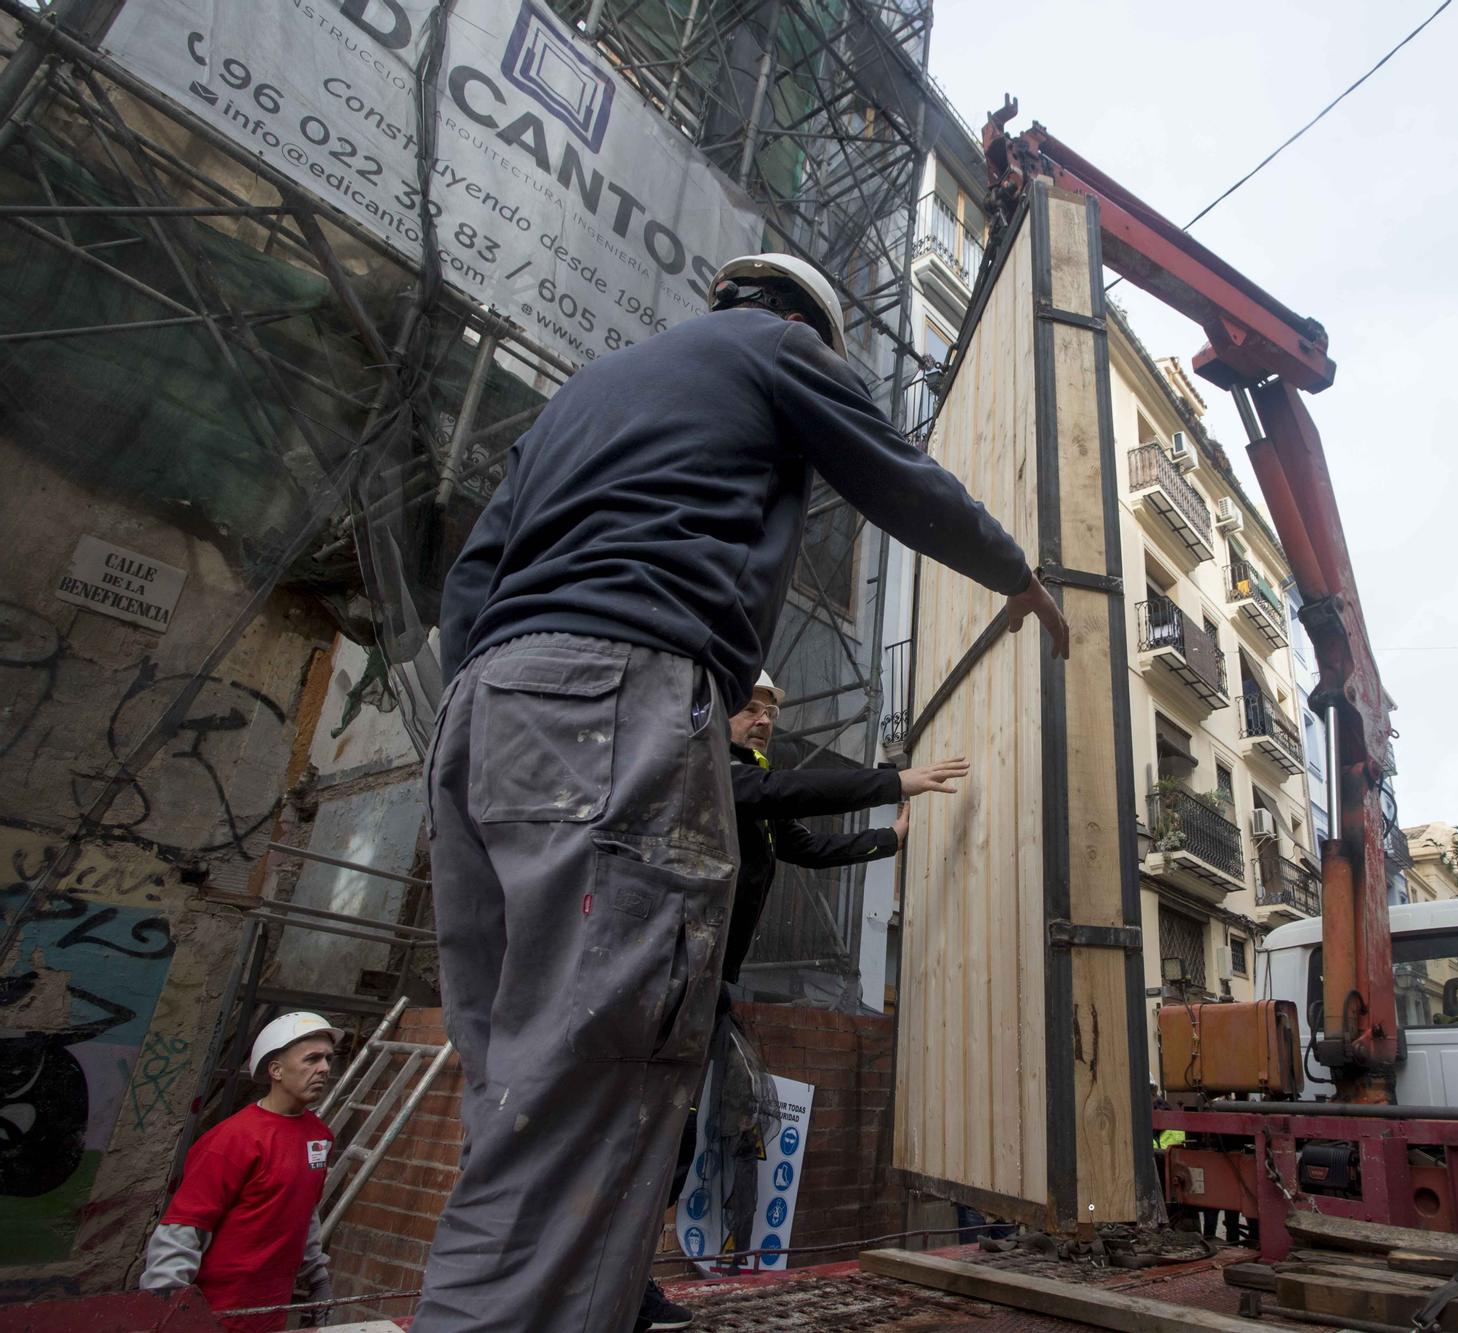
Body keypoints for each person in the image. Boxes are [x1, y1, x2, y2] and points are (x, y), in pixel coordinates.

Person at [418, 253, 1068, 1333]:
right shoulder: (777, 353)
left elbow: (472, 577)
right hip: (616, 692)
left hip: (486, 711)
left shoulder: (591, 386)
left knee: (517, 1083)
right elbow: (897, 475)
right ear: (806, 328)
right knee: (600, 1068)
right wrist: (1017, 573)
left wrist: (497, 705)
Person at [636, 670, 971, 1329]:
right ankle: (602, 1284)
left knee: (673, 1140)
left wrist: (891, 838)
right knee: (649, 1135)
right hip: (665, 981)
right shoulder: (706, 770)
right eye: (749, 707)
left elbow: (808, 846)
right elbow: (784, 789)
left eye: (769, 710)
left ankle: (627, 1282)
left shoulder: (752, 786)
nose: (762, 719)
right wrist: (892, 780)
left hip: (705, 987)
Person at [140, 1013, 339, 1332]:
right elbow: (182, 1232)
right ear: (276, 1070)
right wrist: (166, 1312)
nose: (325, 1068)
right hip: (214, 1316)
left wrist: (318, 1278)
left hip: (270, 1313)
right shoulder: (232, 1140)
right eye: (312, 1059)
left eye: (328, 1058)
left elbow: (304, 1213)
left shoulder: (319, 1136)